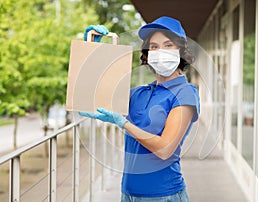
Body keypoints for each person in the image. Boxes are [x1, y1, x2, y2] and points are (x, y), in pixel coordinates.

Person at [79, 16, 200, 202]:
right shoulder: (139, 93)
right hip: (128, 194)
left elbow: (165, 149)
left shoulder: (185, 93)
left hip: (163, 195)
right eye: (154, 46)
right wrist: (93, 52)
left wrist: (123, 123)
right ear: (147, 53)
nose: (161, 51)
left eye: (168, 45)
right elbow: (88, 97)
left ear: (181, 51)